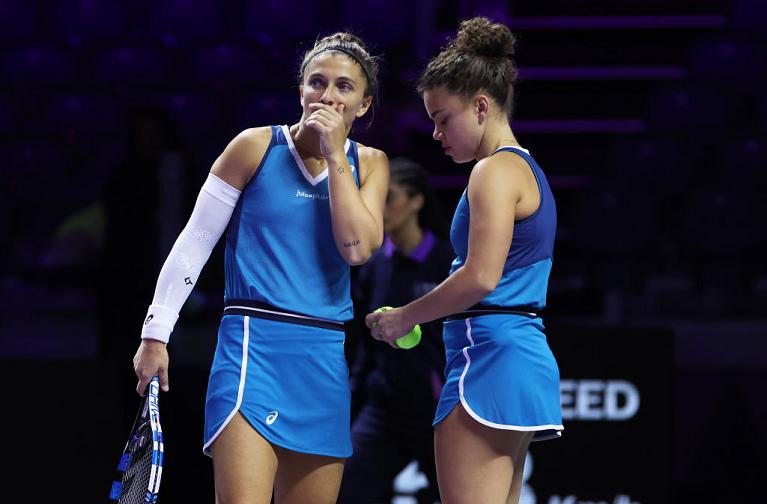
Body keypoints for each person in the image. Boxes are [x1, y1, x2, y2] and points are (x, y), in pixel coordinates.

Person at [131, 33, 389, 504]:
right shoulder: (254, 146)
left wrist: (335, 158)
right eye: (317, 83)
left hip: (324, 355)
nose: (327, 95)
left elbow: (356, 249)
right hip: (252, 350)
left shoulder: (370, 164)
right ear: (300, 92)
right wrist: (155, 334)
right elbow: (196, 241)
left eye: (344, 87)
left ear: (364, 105)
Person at [365, 17, 563, 504]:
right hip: (519, 357)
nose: (435, 132)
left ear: (480, 106)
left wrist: (404, 318)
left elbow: (479, 276)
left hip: (488, 360)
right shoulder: (526, 168)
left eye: (442, 117)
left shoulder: (492, 171)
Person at [338, 158, 453, 503]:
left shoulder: (448, 263)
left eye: (390, 198)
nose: (380, 208)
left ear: (416, 201)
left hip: (436, 411)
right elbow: (362, 341)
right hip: (383, 408)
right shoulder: (374, 265)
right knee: (349, 488)